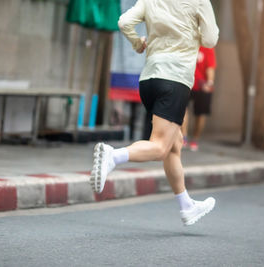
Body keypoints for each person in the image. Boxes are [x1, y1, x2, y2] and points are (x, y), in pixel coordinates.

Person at [90, 0, 219, 226]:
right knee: (160, 147)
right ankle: (113, 156)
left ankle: (186, 205)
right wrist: (192, 31)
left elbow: (124, 22)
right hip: (175, 79)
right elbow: (210, 39)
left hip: (149, 79)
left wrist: (137, 43)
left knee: (174, 144)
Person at [186, 46, 217, 151]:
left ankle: (195, 139)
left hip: (202, 86)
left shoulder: (208, 47)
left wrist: (210, 83)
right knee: (182, 109)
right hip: (187, 83)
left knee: (200, 114)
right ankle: (183, 137)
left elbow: (210, 66)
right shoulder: (188, 42)